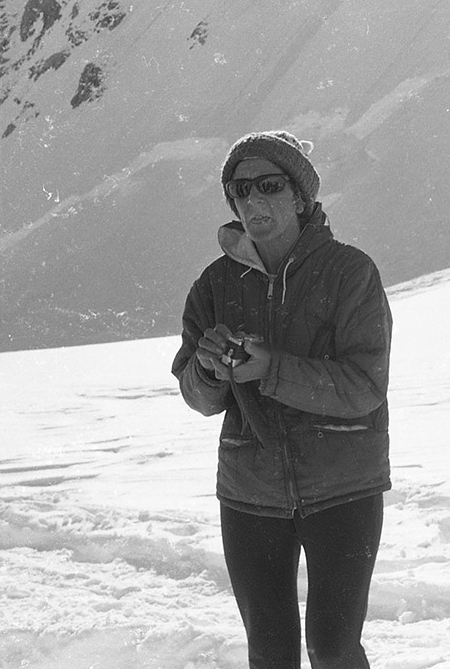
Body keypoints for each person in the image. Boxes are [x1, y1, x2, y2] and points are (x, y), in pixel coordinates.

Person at [171, 131, 392, 669]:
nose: (253, 201)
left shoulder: (349, 273)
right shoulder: (214, 284)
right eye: (240, 190)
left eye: (268, 185)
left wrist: (272, 368)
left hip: (344, 488)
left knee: (334, 650)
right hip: (249, 495)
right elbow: (197, 397)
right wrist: (207, 369)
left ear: (300, 195)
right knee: (269, 654)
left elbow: (364, 387)